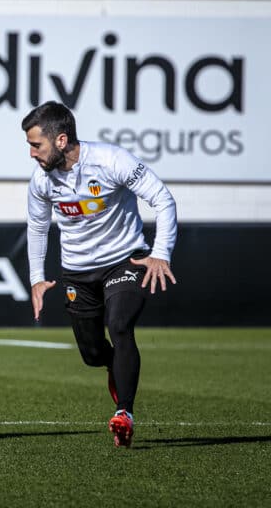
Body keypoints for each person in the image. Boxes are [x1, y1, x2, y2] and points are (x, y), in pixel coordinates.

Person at [21, 101, 177, 448]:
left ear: (61, 140)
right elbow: (37, 225)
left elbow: (163, 199)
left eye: (36, 145)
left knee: (120, 325)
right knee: (92, 354)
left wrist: (159, 254)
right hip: (77, 273)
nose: (31, 153)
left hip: (125, 261)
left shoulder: (111, 161)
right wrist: (36, 277)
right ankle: (113, 365)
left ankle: (124, 413)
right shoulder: (41, 180)